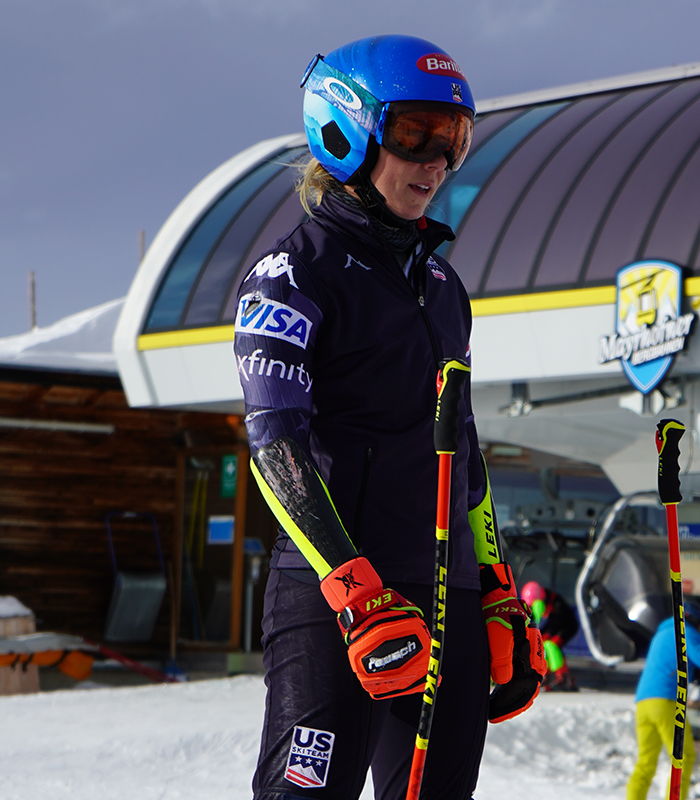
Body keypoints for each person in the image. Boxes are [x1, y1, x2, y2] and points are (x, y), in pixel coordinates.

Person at [235, 35, 546, 800]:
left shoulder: (443, 285)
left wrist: (496, 583)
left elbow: (462, 454)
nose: (437, 160)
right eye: (416, 133)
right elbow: (276, 445)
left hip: (446, 592)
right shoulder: (290, 275)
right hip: (338, 593)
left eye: (456, 139)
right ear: (345, 129)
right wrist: (353, 587)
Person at [626, 600, 700, 800]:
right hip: (665, 701)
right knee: (683, 756)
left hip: (643, 701)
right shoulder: (685, 632)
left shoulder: (662, 632)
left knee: (646, 762)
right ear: (694, 621)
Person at [520, 581, 579, 691]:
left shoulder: (556, 603)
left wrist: (547, 633)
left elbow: (558, 620)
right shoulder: (545, 601)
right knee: (543, 644)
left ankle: (563, 676)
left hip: (567, 626)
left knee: (552, 645)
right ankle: (546, 674)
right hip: (557, 626)